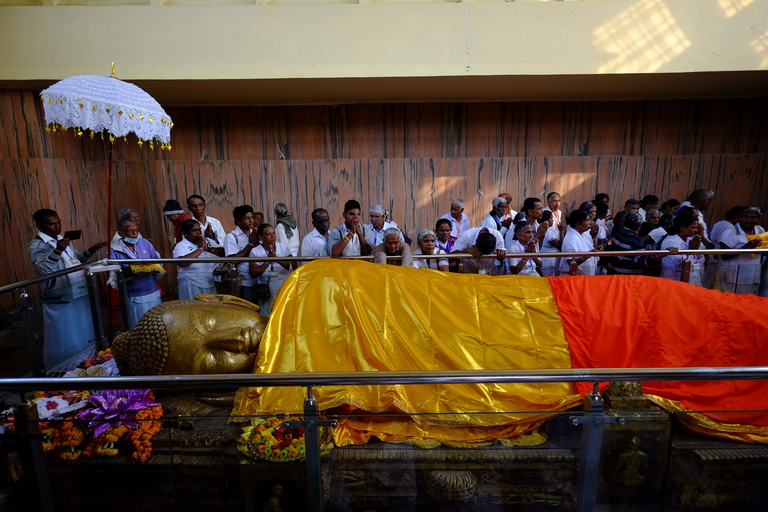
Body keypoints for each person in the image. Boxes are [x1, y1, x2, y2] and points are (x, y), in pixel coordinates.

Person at [27, 209, 107, 367]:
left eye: (58, 222)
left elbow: (74, 259)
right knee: (66, 335)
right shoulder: (36, 245)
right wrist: (58, 249)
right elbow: (44, 270)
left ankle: (86, 360)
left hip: (78, 292)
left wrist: (91, 250)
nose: (57, 226)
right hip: (59, 298)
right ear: (39, 225)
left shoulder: (60, 239)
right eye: (52, 224)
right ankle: (65, 367)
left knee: (82, 332)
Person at [109, 218, 164, 329]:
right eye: (130, 231)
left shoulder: (145, 243)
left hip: (152, 290)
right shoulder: (114, 250)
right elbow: (113, 275)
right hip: (134, 294)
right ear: (121, 233)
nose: (135, 233)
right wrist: (129, 270)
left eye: (136, 230)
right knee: (140, 328)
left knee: (157, 326)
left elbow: (156, 262)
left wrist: (149, 267)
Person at [717, 206, 764, 295]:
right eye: (746, 217)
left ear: (759, 219)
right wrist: (745, 248)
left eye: (754, 217)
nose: (749, 220)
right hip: (735, 278)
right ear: (740, 218)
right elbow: (724, 255)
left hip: (753, 276)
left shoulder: (760, 230)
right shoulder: (731, 231)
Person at [248, 223, 292, 315]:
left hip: (283, 288)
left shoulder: (283, 247)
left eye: (274, 233)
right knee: (267, 317)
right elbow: (253, 273)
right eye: (268, 234)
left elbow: (292, 266)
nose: (273, 237)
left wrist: (276, 258)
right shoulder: (255, 251)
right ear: (261, 237)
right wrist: (268, 261)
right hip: (266, 293)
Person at [173, 219, 221, 300]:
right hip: (191, 283)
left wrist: (207, 248)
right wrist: (200, 249)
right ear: (185, 233)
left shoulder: (207, 241)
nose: (198, 232)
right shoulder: (181, 245)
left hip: (209, 282)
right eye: (194, 230)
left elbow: (224, 253)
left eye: (199, 230)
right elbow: (181, 263)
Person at [224, 205, 260, 302]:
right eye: (247, 218)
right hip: (244, 282)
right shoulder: (231, 237)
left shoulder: (257, 233)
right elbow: (233, 260)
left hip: (260, 280)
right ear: (238, 221)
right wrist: (251, 244)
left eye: (252, 217)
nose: (251, 221)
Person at [661, 208, 705, 286]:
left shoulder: (689, 239)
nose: (695, 230)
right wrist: (691, 250)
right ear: (682, 228)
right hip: (674, 283)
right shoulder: (670, 241)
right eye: (693, 228)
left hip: (691, 281)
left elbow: (699, 256)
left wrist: (695, 248)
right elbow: (679, 261)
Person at [559, 210, 600, 276]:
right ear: (578, 224)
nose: (590, 223)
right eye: (587, 220)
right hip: (573, 278)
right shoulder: (571, 239)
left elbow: (589, 250)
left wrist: (596, 248)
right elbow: (571, 261)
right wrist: (587, 256)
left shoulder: (583, 234)